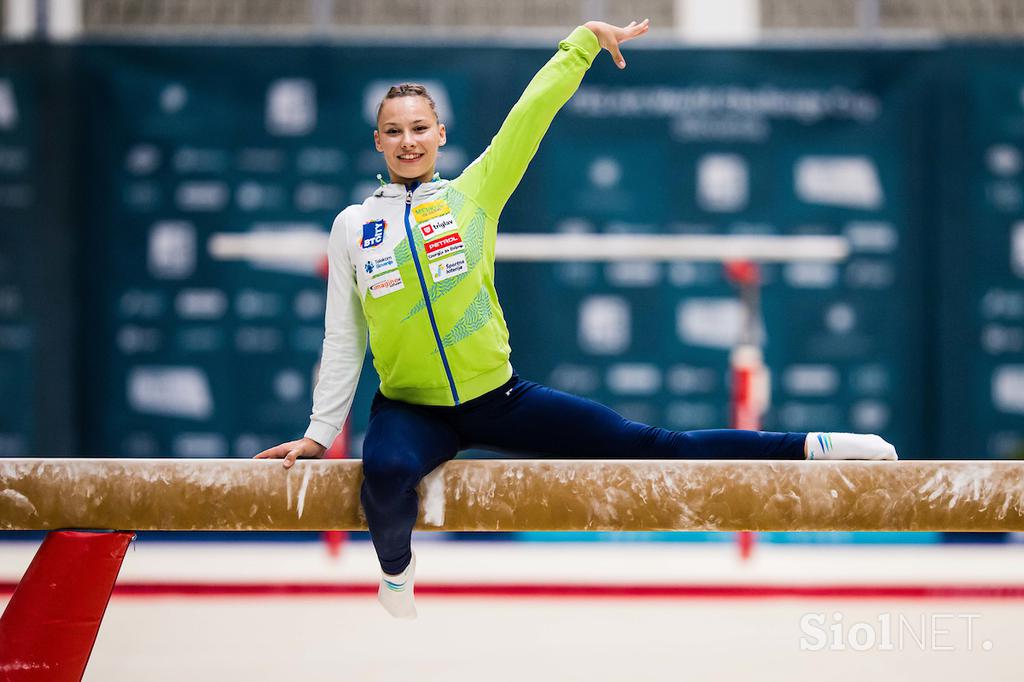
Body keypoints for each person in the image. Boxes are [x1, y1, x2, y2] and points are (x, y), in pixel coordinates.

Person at [255, 19, 898, 619]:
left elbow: (530, 115)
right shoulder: (353, 228)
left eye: (420, 127)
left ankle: (813, 447)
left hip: (498, 398)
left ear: (440, 134)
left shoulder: (473, 193)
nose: (408, 141)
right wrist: (319, 431)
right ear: (378, 141)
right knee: (387, 474)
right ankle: (395, 572)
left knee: (652, 447)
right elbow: (344, 334)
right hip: (409, 410)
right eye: (394, 131)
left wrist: (585, 41)